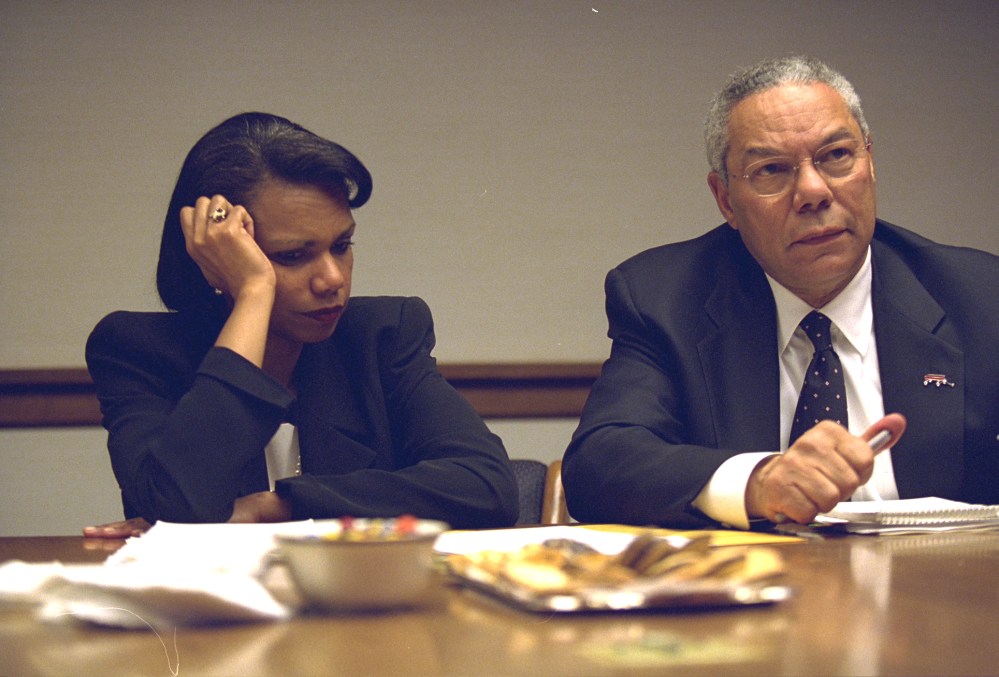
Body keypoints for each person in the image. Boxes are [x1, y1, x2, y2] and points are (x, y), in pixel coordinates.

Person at [563, 56, 999, 529]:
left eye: (836, 156)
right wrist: (755, 481)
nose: (813, 191)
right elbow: (599, 467)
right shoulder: (666, 298)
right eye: (772, 170)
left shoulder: (978, 296)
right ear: (726, 200)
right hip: (753, 594)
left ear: (870, 163)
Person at [83, 112, 519, 537]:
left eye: (342, 245)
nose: (332, 278)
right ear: (216, 258)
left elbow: (486, 486)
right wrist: (254, 292)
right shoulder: (136, 350)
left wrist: (276, 506)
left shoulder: (381, 335)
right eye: (292, 255)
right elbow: (180, 509)